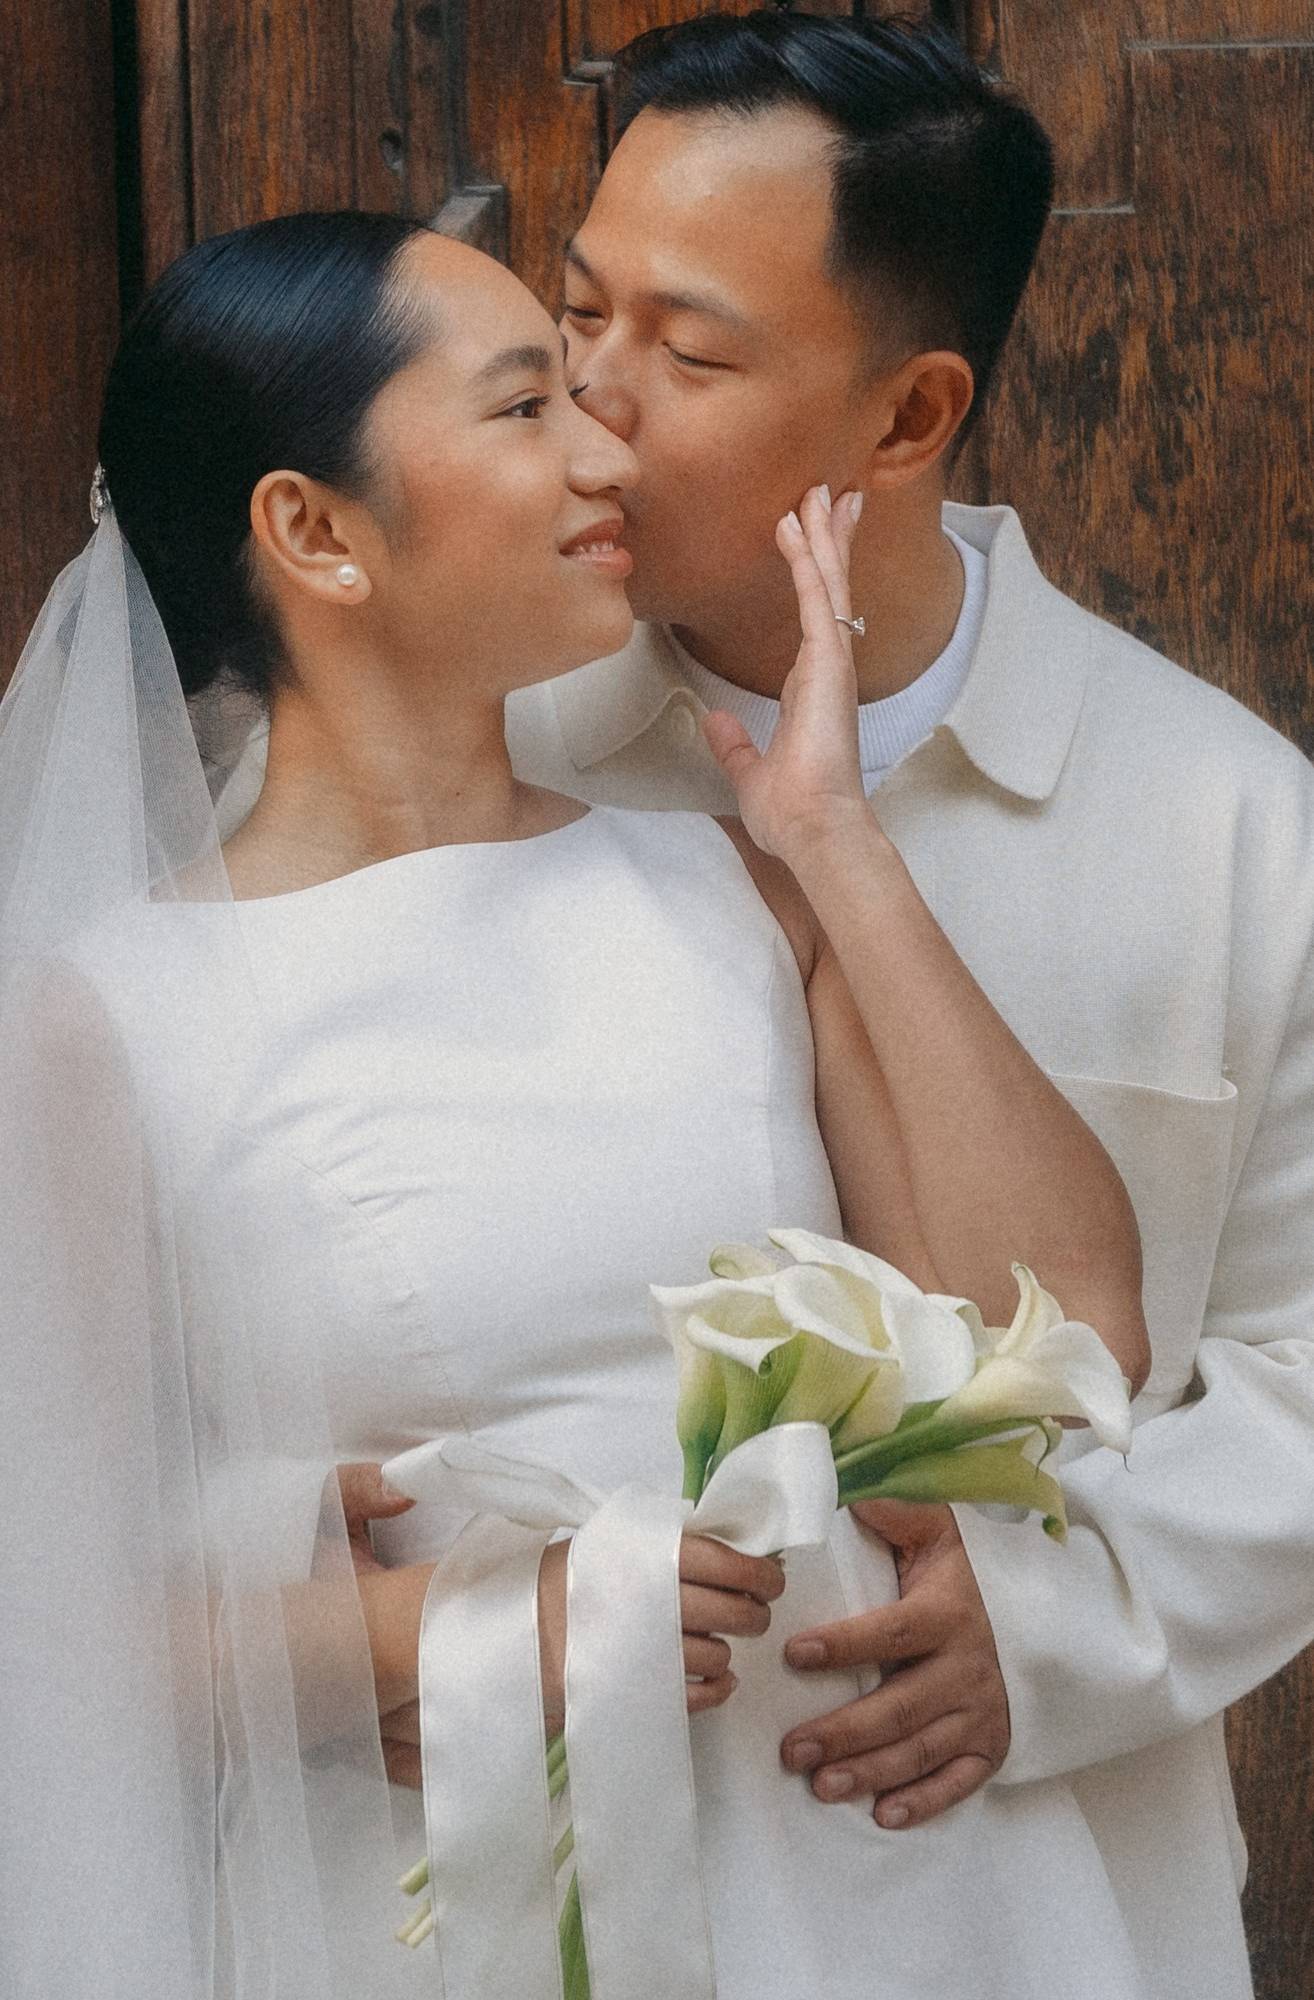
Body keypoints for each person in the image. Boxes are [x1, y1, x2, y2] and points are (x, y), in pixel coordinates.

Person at [0, 211, 1151, 1999]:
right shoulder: (105, 1030)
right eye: (527, 408)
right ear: (314, 532)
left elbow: (1067, 1337)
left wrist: (836, 845)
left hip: (880, 1877)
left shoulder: (728, 893)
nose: (610, 452)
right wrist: (444, 1618)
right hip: (457, 1900)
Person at [471, 13, 1314, 1998]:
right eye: (573, 316)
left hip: (1028, 1882)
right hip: (537, 1872)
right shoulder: (463, 751)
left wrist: (1069, 1610)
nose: (593, 409)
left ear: (909, 416)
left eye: (682, 353)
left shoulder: (1228, 828)